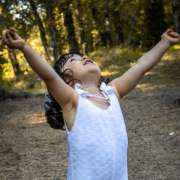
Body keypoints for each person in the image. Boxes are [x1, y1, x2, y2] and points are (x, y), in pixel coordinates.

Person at [1, 28, 180, 180]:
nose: (83, 57)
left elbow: (141, 66)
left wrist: (164, 42)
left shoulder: (113, 91)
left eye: (83, 55)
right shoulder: (73, 101)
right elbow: (48, 76)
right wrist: (24, 47)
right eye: (74, 60)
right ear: (67, 79)